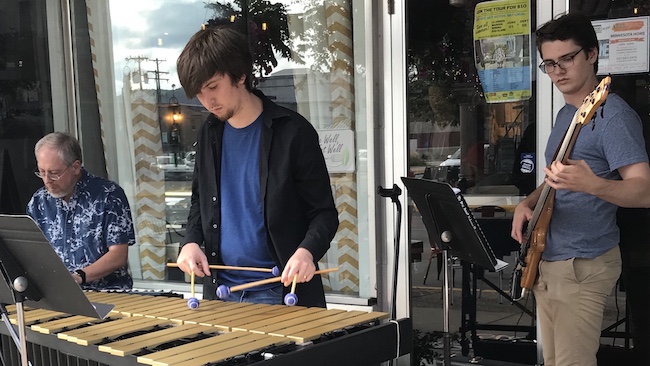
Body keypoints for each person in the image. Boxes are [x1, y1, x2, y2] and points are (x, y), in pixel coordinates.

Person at [510, 12, 650, 366]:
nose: (558, 71)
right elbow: (556, 179)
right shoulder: (564, 115)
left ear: (591, 54)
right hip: (548, 258)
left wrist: (594, 184)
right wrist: (526, 203)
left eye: (567, 59)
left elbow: (643, 191)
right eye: (550, 64)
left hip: (583, 265)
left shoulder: (612, 117)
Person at [174, 26, 339, 307]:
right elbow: (199, 202)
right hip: (220, 290)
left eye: (213, 87)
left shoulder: (293, 132)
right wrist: (190, 242)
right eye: (199, 94)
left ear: (240, 75)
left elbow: (324, 214)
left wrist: (306, 252)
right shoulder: (209, 134)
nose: (207, 101)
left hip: (282, 291)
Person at [27, 132, 135, 291]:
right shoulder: (39, 201)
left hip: (108, 294)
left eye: (54, 173)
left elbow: (118, 255)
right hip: (59, 294)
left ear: (76, 167)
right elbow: (32, 253)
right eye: (42, 172)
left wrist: (79, 277)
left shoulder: (109, 195)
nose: (47, 180)